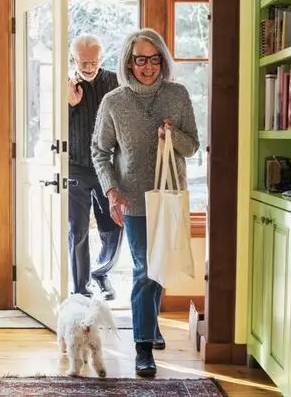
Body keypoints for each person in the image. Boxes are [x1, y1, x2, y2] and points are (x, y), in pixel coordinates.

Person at [91, 28, 199, 376]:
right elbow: (100, 151)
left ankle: (150, 327)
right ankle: (143, 346)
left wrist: (173, 134)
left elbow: (193, 146)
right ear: (129, 61)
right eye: (141, 59)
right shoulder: (114, 102)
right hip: (133, 199)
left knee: (160, 267)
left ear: (162, 61)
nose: (148, 66)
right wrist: (111, 191)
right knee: (143, 269)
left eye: (155, 59)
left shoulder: (178, 95)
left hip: (169, 195)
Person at [66, 34, 123, 301]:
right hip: (75, 166)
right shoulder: (65, 85)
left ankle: (100, 272)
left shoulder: (114, 82)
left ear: (101, 58)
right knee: (77, 229)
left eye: (94, 62)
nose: (88, 68)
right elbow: (51, 128)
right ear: (73, 58)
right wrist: (69, 104)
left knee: (113, 226)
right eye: (83, 62)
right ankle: (80, 289)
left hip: (108, 167)